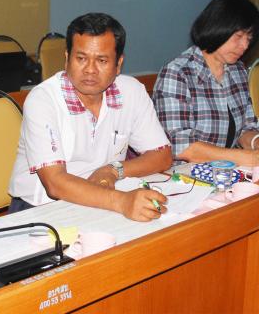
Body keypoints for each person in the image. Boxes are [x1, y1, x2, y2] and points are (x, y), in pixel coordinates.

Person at [9, 12, 172, 221]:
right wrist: (121, 202)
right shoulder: (43, 99)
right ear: (67, 58)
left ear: (119, 64)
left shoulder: (132, 91)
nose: (90, 70)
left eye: (102, 60)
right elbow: (54, 183)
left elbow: (162, 155)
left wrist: (113, 170)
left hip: (104, 200)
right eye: (81, 58)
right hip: (41, 208)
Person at [153, 0, 259, 166]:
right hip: (186, 176)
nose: (245, 46)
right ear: (217, 28)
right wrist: (246, 157)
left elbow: (246, 128)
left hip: (227, 171)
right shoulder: (178, 73)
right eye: (239, 36)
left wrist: (255, 142)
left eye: (249, 38)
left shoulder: (238, 70)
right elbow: (182, 147)